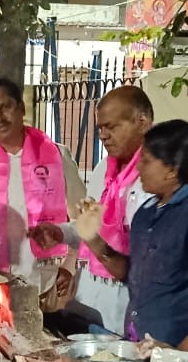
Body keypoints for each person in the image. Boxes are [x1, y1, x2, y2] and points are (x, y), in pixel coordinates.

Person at [76, 119, 188, 356]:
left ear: (172, 168)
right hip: (148, 350)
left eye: (146, 161)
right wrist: (93, 240)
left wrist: (183, 353)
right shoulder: (148, 213)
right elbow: (133, 275)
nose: (138, 169)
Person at [30, 86, 154, 335]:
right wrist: (60, 233)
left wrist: (91, 238)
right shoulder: (103, 171)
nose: (103, 136)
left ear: (142, 122)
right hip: (90, 302)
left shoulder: (155, 178)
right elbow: (89, 226)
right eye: (100, 128)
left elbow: (145, 263)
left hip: (129, 311)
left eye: (112, 127)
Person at [0, 78, 86, 301]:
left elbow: (83, 218)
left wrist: (70, 265)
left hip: (48, 284)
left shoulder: (56, 156)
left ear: (21, 108)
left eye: (5, 107)